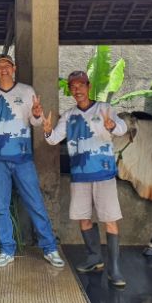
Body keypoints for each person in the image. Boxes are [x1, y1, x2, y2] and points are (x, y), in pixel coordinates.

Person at [0, 53, 64, 269]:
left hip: (23, 159)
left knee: (35, 203)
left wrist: (36, 113)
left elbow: (35, 122)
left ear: (14, 68)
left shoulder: (27, 91)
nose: (4, 69)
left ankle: (50, 248)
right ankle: (7, 250)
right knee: (1, 207)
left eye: (7, 66)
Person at [42, 70, 128, 288]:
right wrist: (47, 130)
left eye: (81, 85)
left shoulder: (104, 108)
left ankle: (115, 268)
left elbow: (122, 128)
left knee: (110, 219)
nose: (77, 89)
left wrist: (112, 126)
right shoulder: (69, 115)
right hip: (79, 175)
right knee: (83, 217)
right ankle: (94, 258)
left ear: (89, 87)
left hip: (103, 174)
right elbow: (53, 140)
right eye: (73, 86)